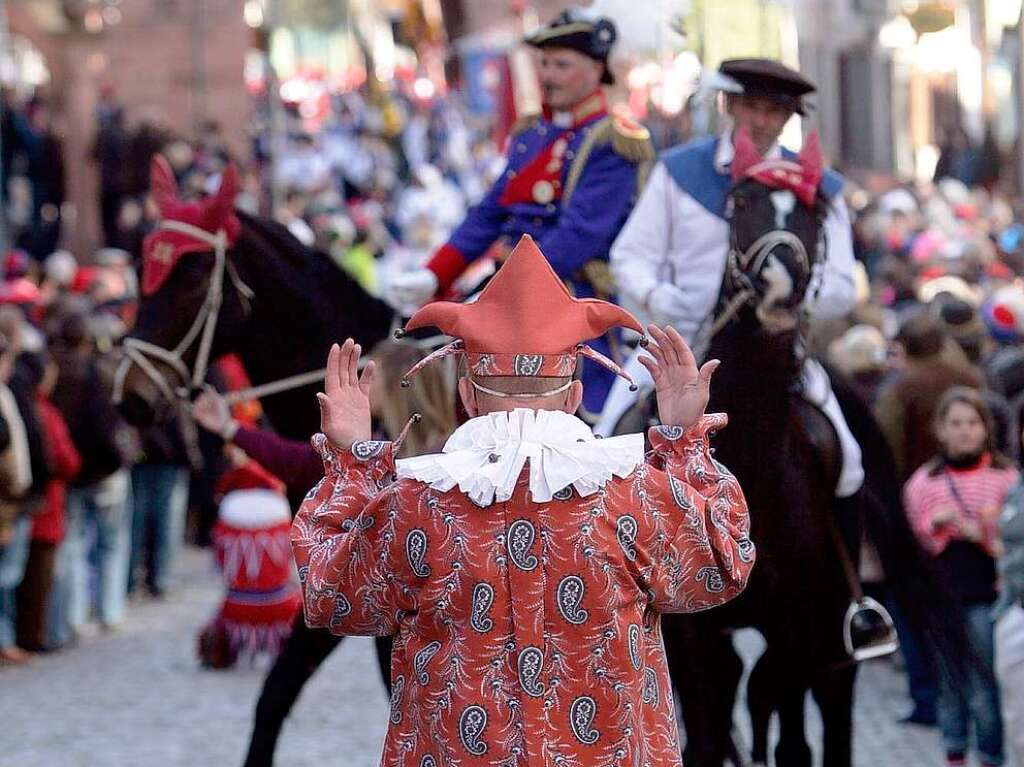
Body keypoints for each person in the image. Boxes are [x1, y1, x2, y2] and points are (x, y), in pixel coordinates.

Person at [292, 235, 754, 765]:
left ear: (466, 397)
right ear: (576, 396)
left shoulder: (412, 505)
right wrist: (682, 438)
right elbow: (723, 563)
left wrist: (353, 460)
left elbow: (333, 594)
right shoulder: (638, 496)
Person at [603, 58, 862, 504]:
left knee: (849, 465)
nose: (762, 122)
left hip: (780, 354)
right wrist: (658, 297)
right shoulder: (679, 172)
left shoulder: (820, 188)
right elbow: (629, 256)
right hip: (677, 349)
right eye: (752, 107)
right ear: (730, 105)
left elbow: (841, 282)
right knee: (606, 443)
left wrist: (795, 303)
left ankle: (853, 566)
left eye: (775, 111)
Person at [382, 9, 654, 419]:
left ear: (597, 69)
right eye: (543, 63)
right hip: (509, 283)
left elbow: (578, 236)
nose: (548, 74)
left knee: (595, 416)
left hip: (573, 295)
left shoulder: (612, 141)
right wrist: (435, 274)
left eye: (561, 64)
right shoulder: (531, 135)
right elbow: (490, 212)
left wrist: (503, 293)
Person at [903, 387, 1017, 767]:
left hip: (988, 594)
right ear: (940, 430)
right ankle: (954, 752)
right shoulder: (923, 482)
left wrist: (981, 530)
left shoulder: (1007, 479)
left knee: (986, 685)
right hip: (942, 598)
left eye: (972, 423)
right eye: (956, 423)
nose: (964, 431)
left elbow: (1012, 538)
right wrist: (931, 526)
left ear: (986, 429)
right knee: (950, 685)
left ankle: (990, 754)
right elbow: (912, 540)